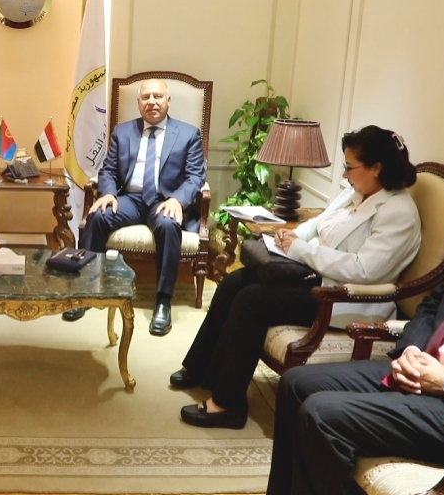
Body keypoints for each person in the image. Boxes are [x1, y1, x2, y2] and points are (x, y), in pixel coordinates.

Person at [250, 149, 444, 495]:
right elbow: (433, 304)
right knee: (296, 383)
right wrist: (412, 348)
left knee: (322, 414)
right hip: (419, 370)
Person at [173, 125, 422, 430]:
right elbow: (317, 224)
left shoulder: (398, 212)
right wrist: (289, 237)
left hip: (345, 297)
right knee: (234, 283)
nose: (345, 174)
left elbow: (364, 270)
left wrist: (301, 250)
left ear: (376, 168)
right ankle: (201, 368)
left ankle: (228, 405)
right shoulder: (356, 191)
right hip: (314, 274)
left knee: (251, 301)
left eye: (350, 167)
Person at [62, 78, 206, 336]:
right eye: (145, 97)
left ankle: (163, 301)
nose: (151, 102)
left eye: (157, 96)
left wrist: (177, 200)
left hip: (164, 200)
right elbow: (108, 170)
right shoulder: (123, 131)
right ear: (138, 103)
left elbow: (195, 176)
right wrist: (108, 193)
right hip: (129, 199)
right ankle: (86, 291)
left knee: (168, 225)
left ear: (168, 101)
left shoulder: (188, 134)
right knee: (98, 216)